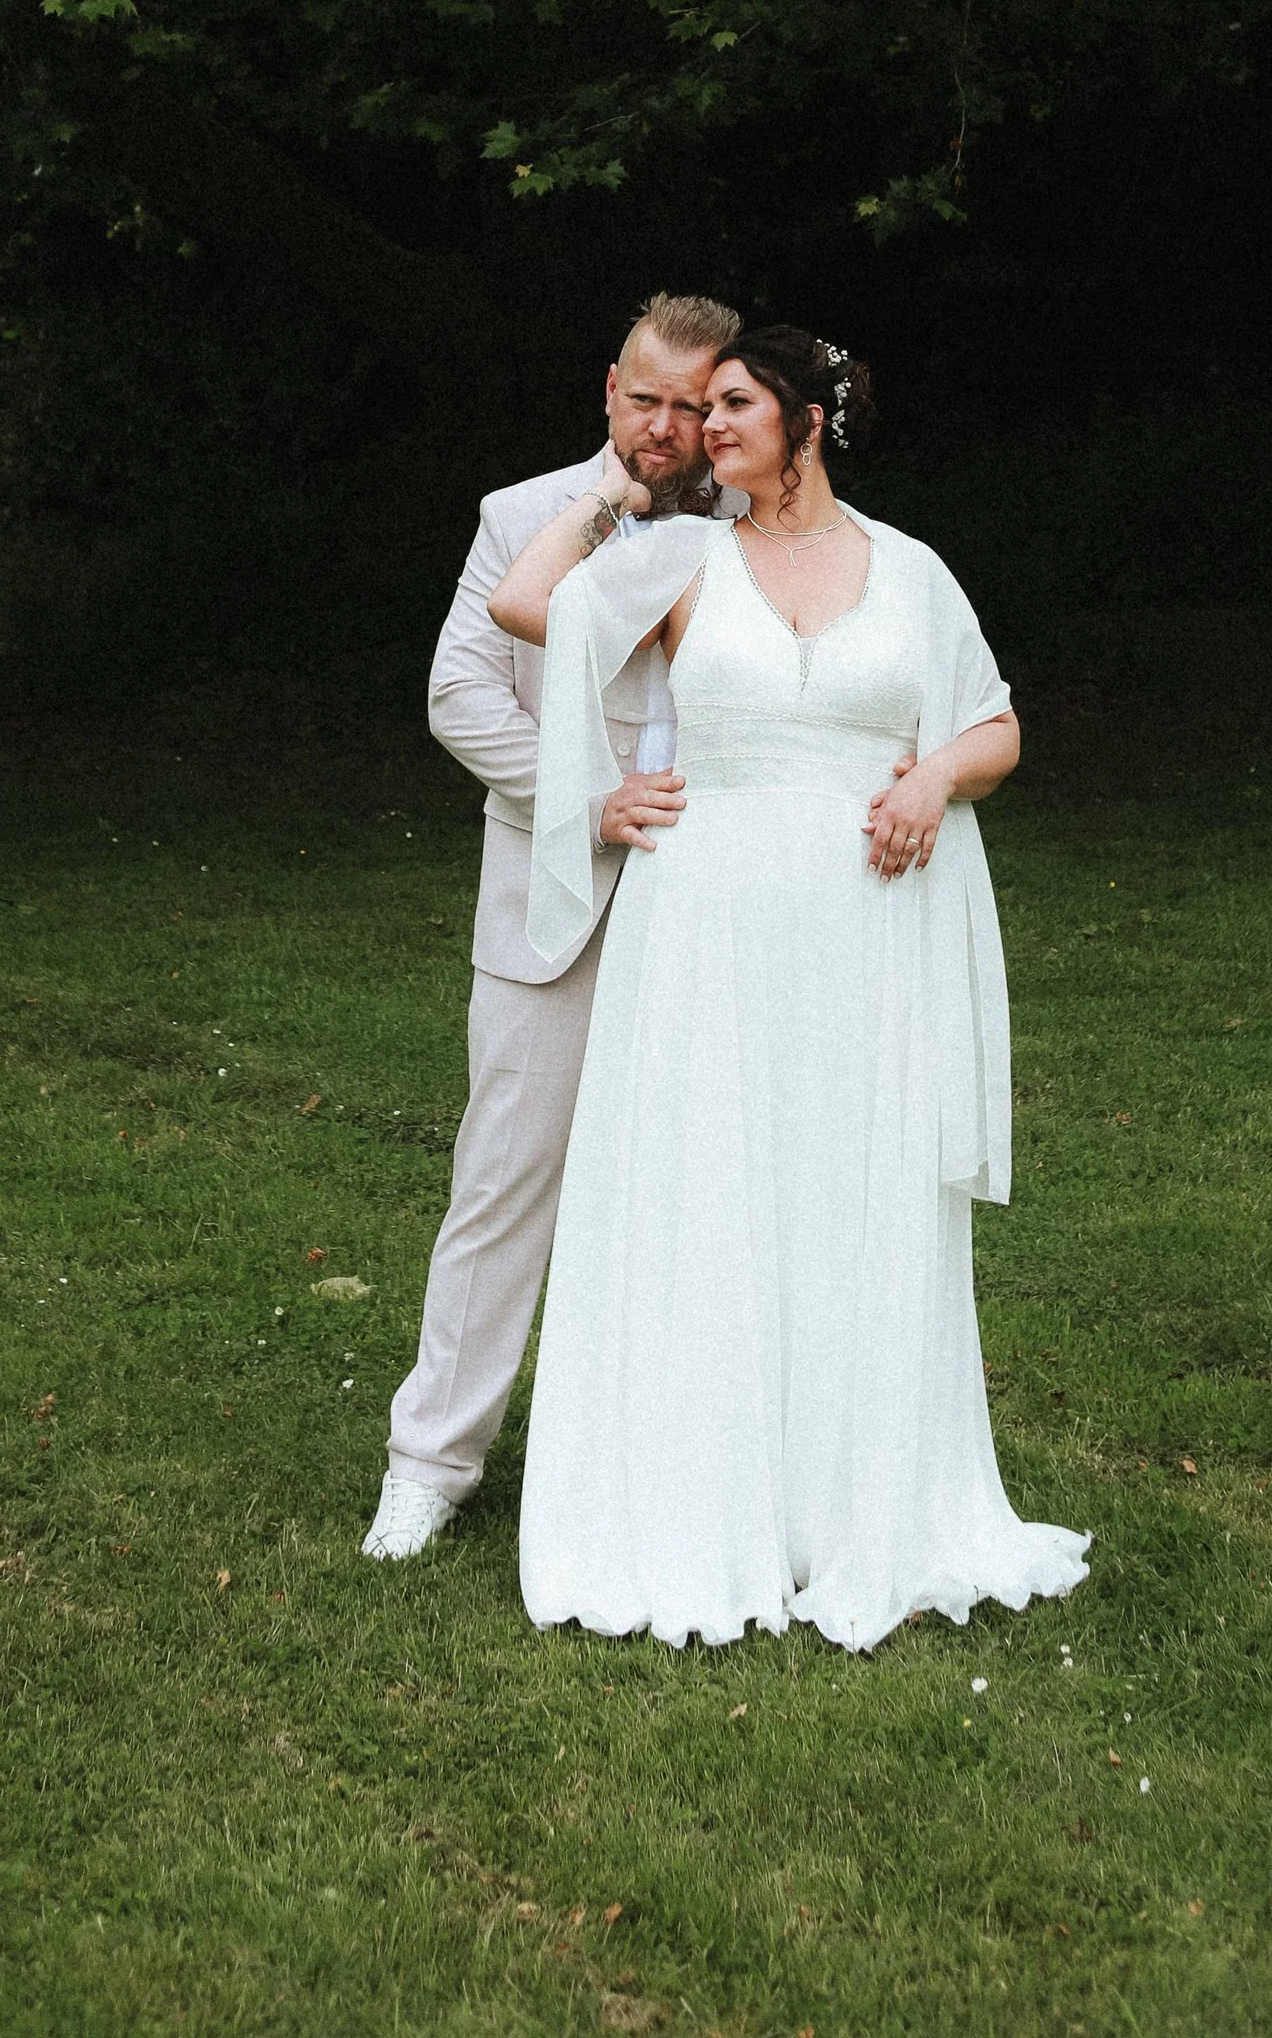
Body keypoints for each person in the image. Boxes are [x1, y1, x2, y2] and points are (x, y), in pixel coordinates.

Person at [487, 326, 1089, 1650]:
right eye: (699, 409)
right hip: (705, 927)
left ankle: (845, 1502)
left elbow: (994, 721)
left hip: (864, 934)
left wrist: (931, 775)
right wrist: (614, 491)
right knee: (715, 1187)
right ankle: (703, 1497)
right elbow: (527, 603)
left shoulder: (910, 570)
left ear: (809, 417)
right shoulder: (683, 555)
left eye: (734, 403)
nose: (706, 425)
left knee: (843, 1192)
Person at [360, 289, 742, 1562]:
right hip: (549, 914)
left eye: (695, 407)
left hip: (713, 916)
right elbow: (456, 695)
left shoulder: (756, 530)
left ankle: (654, 1462)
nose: (668, 427)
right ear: (608, 389)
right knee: (503, 1188)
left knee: (696, 1194)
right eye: (648, 398)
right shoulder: (522, 518)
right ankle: (431, 1463)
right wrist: (589, 800)